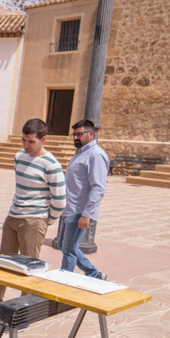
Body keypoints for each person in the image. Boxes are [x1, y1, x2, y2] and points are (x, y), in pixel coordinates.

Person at [0, 118, 66, 320]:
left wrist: (44, 221)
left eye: (31, 141)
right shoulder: (19, 157)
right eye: (23, 140)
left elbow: (59, 201)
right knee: (2, 263)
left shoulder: (52, 164)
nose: (26, 145)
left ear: (43, 139)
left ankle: (23, 313)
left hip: (34, 220)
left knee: (29, 268)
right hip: (13, 216)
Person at [57, 119, 110, 279]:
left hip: (79, 212)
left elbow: (99, 187)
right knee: (64, 245)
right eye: (74, 135)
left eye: (79, 134)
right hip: (69, 208)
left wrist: (86, 214)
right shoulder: (81, 153)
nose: (75, 138)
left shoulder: (96, 155)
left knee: (68, 250)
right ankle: (93, 274)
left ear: (91, 134)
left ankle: (63, 284)